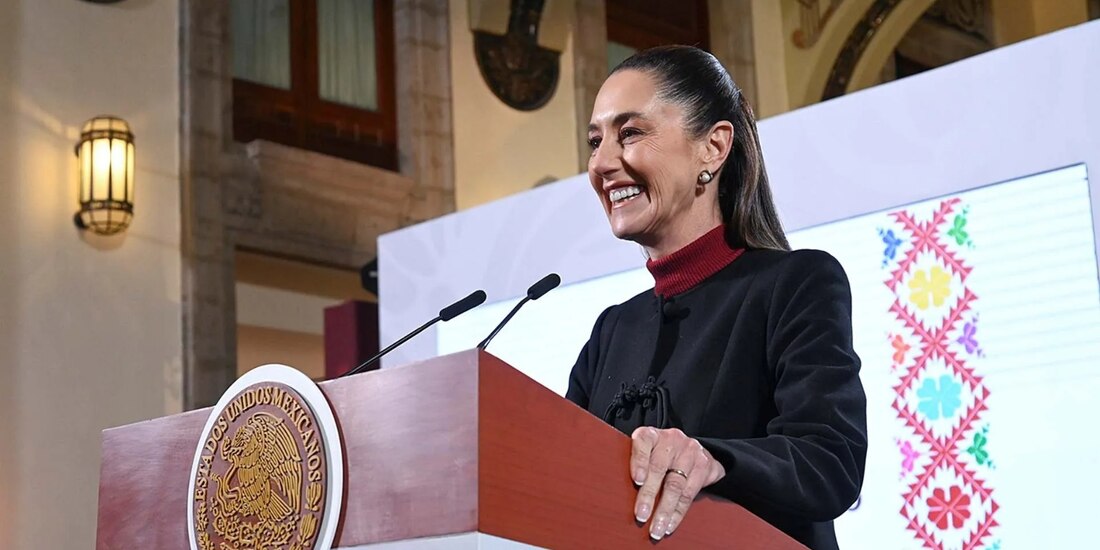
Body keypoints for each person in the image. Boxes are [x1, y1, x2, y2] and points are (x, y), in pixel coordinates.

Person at [565, 45, 867, 550]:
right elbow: (561, 477)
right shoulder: (611, 330)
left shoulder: (797, 283)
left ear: (713, 147)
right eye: (595, 142)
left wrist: (712, 460)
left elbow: (829, 462)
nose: (602, 163)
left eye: (630, 133)